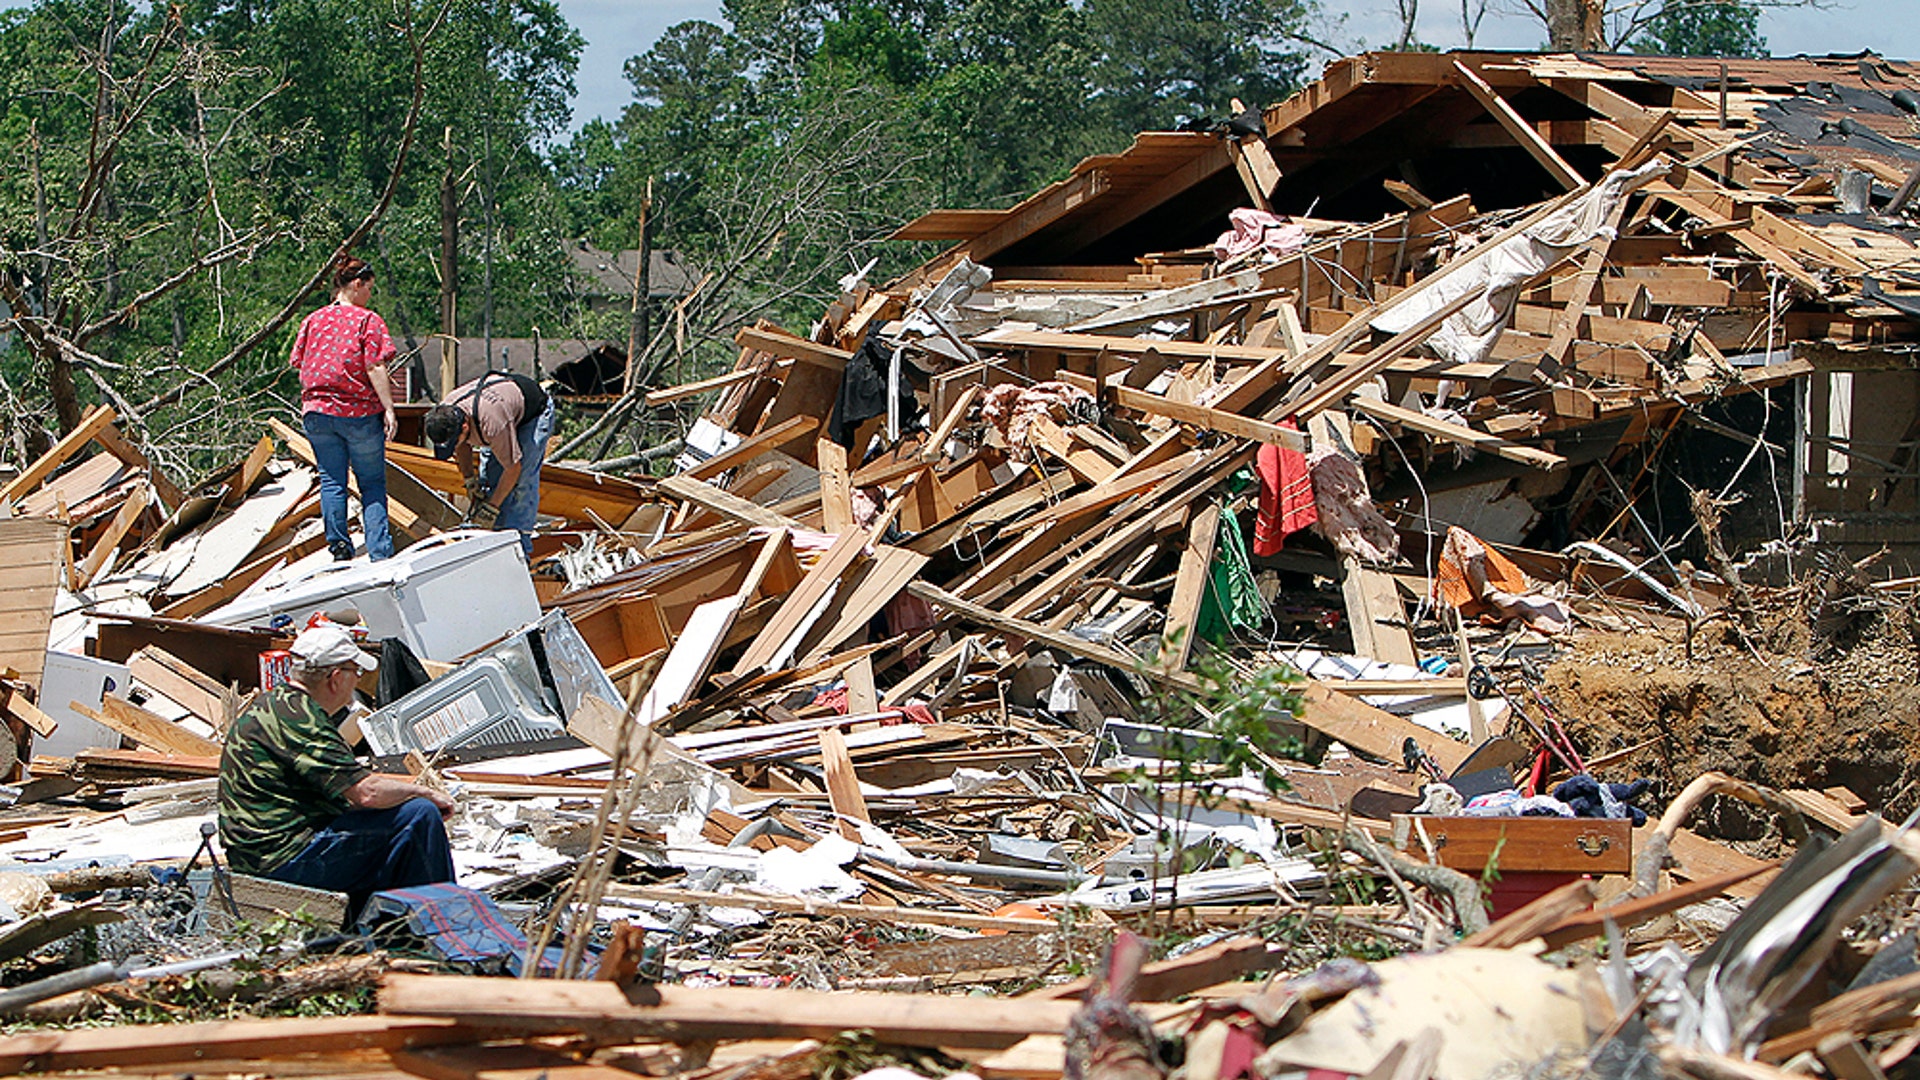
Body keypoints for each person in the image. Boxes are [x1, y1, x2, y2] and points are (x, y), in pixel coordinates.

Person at [217, 623, 455, 920]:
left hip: (258, 853)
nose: (358, 681)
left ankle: (383, 923)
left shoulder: (274, 705)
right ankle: (441, 923)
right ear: (335, 678)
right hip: (281, 859)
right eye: (355, 672)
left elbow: (341, 788)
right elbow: (366, 793)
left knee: (385, 826)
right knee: (419, 816)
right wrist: (424, 792)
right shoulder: (301, 719)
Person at [291, 255, 400, 562]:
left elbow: (299, 364)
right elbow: (375, 365)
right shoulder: (368, 321)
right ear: (356, 284)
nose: (369, 295)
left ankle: (339, 546)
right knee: (372, 483)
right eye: (369, 288)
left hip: (317, 412)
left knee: (331, 480)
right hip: (358, 413)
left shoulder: (312, 320)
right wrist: (388, 408)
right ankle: (379, 551)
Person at [421, 371, 555, 557]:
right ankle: (492, 542)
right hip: (500, 412)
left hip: (532, 414)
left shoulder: (492, 424)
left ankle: (520, 549)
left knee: (521, 484)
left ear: (465, 426)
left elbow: (513, 468)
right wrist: (470, 480)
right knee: (490, 480)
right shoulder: (447, 412)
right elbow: (461, 445)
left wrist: (491, 509)